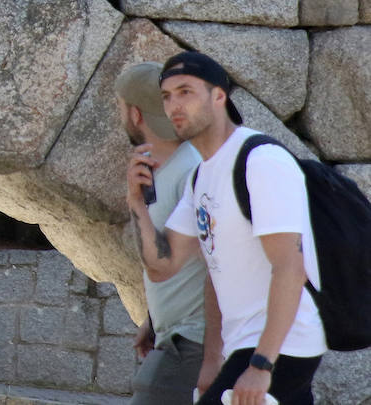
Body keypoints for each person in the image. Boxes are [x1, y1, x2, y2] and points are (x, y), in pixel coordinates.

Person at [126, 51, 325, 405]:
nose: (174, 105)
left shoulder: (260, 161)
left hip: (282, 349)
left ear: (219, 96)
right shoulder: (202, 177)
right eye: (166, 96)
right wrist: (137, 205)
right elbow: (163, 267)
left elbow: (290, 269)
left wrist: (262, 364)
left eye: (186, 91)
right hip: (246, 348)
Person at [115, 62, 211, 404]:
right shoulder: (168, 168)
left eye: (120, 107)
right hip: (176, 337)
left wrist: (135, 203)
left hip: (196, 343)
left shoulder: (192, 173)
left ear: (136, 115)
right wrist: (155, 321)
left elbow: (218, 262)